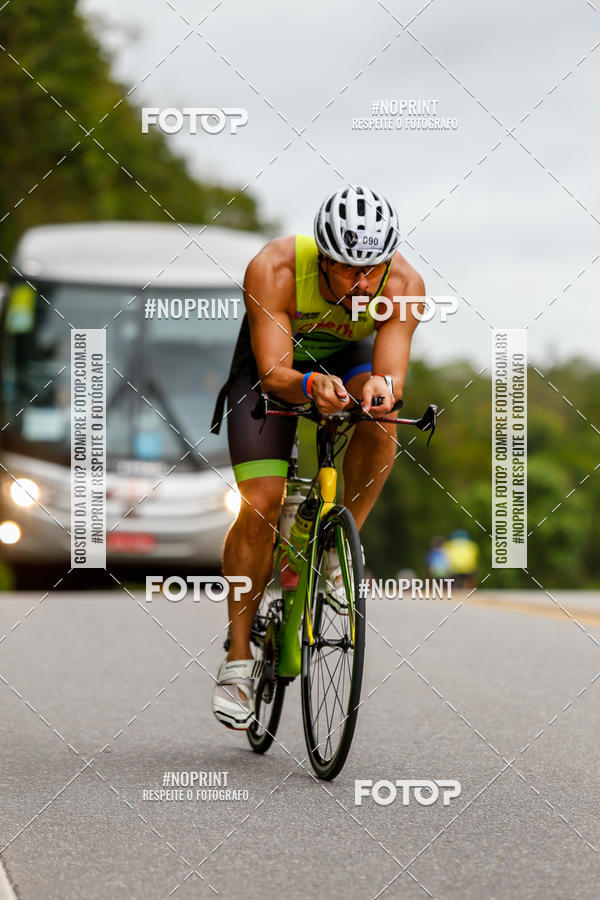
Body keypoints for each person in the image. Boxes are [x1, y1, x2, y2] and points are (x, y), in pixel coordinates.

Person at [209, 185, 424, 729]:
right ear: (323, 258)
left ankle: (338, 552)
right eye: (348, 269)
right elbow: (274, 374)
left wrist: (380, 390)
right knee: (261, 502)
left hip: (350, 360)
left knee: (381, 420)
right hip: (274, 371)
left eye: (371, 270)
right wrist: (310, 385)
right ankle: (238, 659)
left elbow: (391, 376)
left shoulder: (404, 285)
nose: (362, 284)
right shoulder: (274, 269)